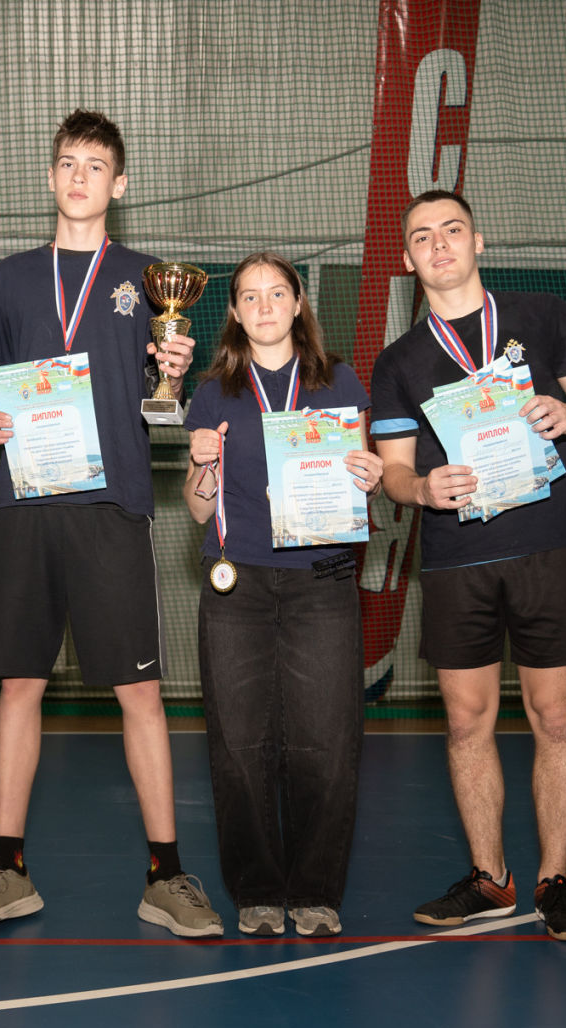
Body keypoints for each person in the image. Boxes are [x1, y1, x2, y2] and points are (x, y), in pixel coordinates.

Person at [0, 109, 220, 937]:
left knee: (139, 690)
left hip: (114, 502)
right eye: (68, 163)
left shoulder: (149, 278)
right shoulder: (11, 277)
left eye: (95, 166)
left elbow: (164, 403)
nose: (79, 177)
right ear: (50, 176)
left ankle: (166, 874)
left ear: (120, 183)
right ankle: (7, 867)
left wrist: (173, 370)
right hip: (28, 498)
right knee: (20, 683)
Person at [373, 189, 566, 942]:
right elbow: (392, 472)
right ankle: (491, 878)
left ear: (479, 240)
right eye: (422, 236)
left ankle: (554, 880)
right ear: (407, 260)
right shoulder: (399, 361)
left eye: (452, 229)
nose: (439, 244)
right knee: (465, 722)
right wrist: (422, 489)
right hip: (457, 560)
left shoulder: (543, 315)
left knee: (556, 717)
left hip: (549, 548)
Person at [182, 252, 383, 937]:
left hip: (321, 580)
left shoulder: (340, 381)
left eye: (276, 293)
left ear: (298, 303)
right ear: (235, 312)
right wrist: (203, 468)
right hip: (236, 583)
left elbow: (362, 481)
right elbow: (199, 509)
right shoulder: (213, 392)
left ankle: (317, 889)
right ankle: (258, 890)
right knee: (238, 742)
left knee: (326, 739)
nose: (264, 305)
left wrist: (369, 475)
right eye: (249, 295)